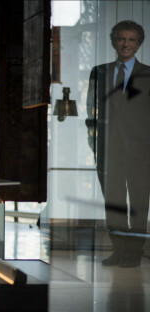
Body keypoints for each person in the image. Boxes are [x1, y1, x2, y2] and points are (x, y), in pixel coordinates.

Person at [86, 20, 150, 268]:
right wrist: (94, 145)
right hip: (108, 150)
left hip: (141, 152)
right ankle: (119, 250)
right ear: (114, 42)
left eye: (131, 40)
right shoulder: (98, 72)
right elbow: (91, 112)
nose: (126, 44)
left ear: (139, 44)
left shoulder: (148, 75)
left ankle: (133, 253)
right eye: (121, 39)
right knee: (113, 203)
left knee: (138, 203)